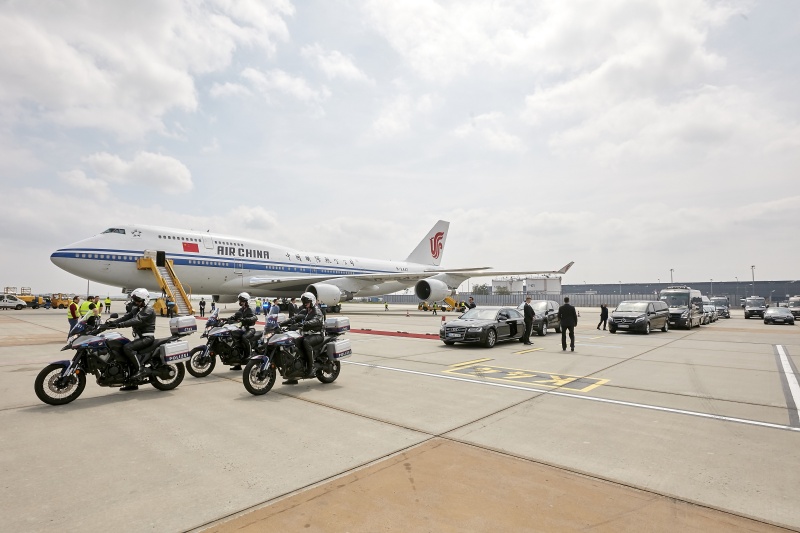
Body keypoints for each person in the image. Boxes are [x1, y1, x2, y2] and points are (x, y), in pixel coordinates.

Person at [105, 288, 155, 391]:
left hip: (147, 337)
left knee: (128, 348)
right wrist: (112, 323)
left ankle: (141, 370)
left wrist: (119, 325)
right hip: (138, 337)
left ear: (145, 299)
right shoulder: (136, 309)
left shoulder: (148, 310)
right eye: (135, 300)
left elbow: (137, 320)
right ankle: (132, 383)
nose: (136, 302)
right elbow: (126, 317)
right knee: (121, 351)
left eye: (138, 300)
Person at [283, 292, 324, 385]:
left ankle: (311, 367)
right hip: (306, 334)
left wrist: (304, 324)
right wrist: (281, 323)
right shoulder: (305, 311)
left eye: (307, 302)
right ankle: (293, 375)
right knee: (293, 343)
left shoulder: (317, 311)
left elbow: (316, 320)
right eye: (304, 302)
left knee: (306, 342)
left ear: (312, 301)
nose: (305, 303)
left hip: (317, 335)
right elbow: (294, 318)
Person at [227, 292, 256, 370]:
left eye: (242, 301)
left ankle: (249, 355)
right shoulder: (241, 309)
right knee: (234, 339)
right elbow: (235, 316)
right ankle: (237, 363)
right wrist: (226, 319)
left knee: (244, 337)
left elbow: (254, 317)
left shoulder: (250, 309)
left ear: (246, 301)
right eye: (240, 301)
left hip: (250, 329)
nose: (240, 302)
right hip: (242, 328)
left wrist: (245, 319)